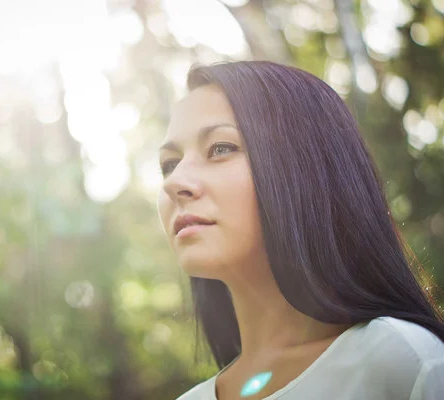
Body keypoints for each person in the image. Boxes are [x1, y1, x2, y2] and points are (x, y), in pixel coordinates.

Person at [156, 61, 444, 400]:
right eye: (169, 164)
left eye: (221, 148)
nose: (175, 181)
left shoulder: (402, 362)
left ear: (306, 170)